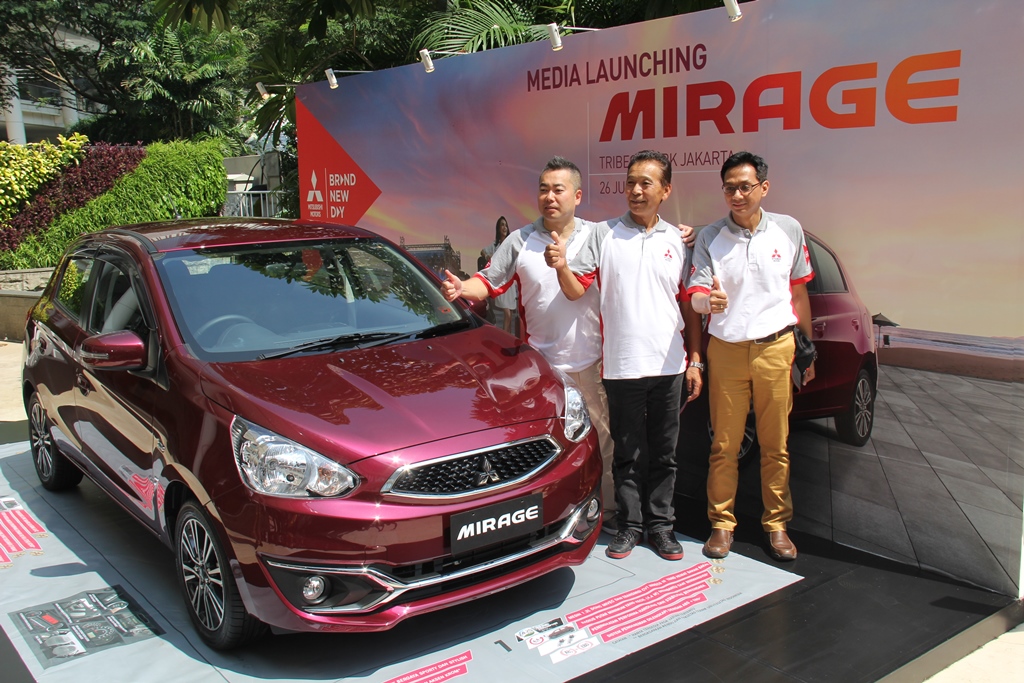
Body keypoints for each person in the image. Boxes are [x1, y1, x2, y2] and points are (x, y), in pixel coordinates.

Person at [545, 150, 704, 561]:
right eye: (630, 182)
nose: (635, 190)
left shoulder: (679, 240)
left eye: (645, 183)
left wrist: (695, 360)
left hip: (670, 365)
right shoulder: (604, 234)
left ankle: (662, 526)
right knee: (628, 454)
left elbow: (689, 304)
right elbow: (575, 290)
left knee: (665, 455)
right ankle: (630, 526)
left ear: (665, 190)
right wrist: (561, 266)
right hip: (620, 366)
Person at [442, 158, 618, 526]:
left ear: (577, 196)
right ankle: (553, 516)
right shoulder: (520, 240)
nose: (549, 197)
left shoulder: (599, 236)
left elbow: (638, 237)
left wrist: (683, 233)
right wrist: (462, 288)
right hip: (541, 370)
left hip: (590, 363)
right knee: (547, 448)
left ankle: (609, 512)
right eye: (543, 189)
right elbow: (488, 281)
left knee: (601, 441)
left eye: (558, 190)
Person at [687, 151, 815, 562]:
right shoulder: (710, 236)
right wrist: (707, 302)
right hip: (726, 350)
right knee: (724, 445)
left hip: (777, 348)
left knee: (776, 444)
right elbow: (697, 294)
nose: (737, 195)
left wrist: (807, 353)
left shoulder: (788, 229)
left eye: (745, 187)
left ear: (764, 187)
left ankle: (777, 524)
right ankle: (722, 524)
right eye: (729, 188)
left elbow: (798, 293)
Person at [480, 216, 518, 334]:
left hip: (510, 282)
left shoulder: (511, 243)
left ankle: (507, 337)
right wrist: (488, 256)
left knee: (510, 314)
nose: (504, 227)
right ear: (498, 228)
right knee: (507, 313)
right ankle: (505, 338)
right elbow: (483, 251)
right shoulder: (495, 245)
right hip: (501, 282)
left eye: (506, 225)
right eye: (502, 225)